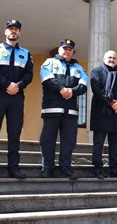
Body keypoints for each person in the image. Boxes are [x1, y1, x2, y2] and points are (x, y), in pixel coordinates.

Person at [0, 20, 33, 179]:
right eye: (10, 28)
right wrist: (7, 85)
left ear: (19, 33)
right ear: (5, 32)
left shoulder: (26, 53)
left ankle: (13, 167)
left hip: (17, 97)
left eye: (16, 29)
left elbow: (29, 74)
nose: (13, 31)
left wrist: (18, 85)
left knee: (15, 133)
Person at [39, 39, 88, 179]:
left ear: (72, 52)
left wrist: (71, 91)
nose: (67, 51)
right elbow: (47, 80)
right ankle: (47, 168)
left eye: (70, 49)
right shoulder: (49, 63)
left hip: (70, 111)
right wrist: (61, 89)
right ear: (59, 50)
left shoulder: (78, 68)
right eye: (64, 48)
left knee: (69, 141)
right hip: (52, 108)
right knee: (48, 139)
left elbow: (83, 85)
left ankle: (65, 168)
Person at [90, 50, 117, 179]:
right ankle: (97, 168)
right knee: (98, 143)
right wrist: (112, 103)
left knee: (114, 145)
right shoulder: (96, 72)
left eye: (114, 58)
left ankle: (113, 169)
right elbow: (97, 91)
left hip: (115, 115)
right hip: (101, 112)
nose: (112, 59)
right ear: (104, 58)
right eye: (109, 57)